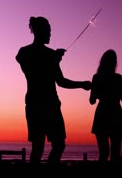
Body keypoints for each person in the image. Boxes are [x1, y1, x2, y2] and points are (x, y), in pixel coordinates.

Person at [15, 16, 92, 165]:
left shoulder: (51, 55)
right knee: (38, 147)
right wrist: (52, 60)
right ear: (39, 31)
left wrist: (82, 84)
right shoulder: (24, 52)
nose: (50, 34)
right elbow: (32, 73)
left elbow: (61, 81)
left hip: (52, 104)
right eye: (48, 31)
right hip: (36, 104)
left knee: (59, 145)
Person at [89, 49, 122, 162]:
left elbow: (92, 101)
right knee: (115, 153)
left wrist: (95, 89)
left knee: (103, 153)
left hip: (102, 115)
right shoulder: (117, 78)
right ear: (114, 62)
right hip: (116, 115)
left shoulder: (97, 77)